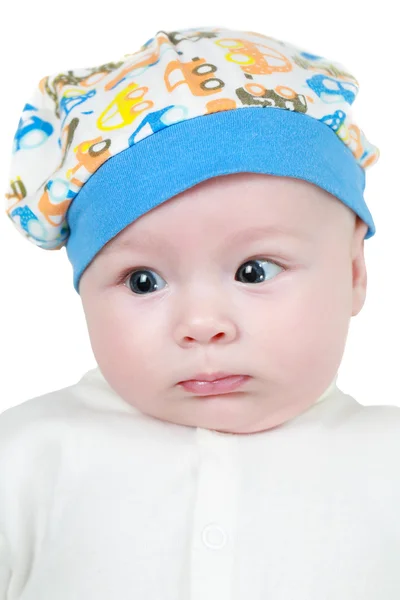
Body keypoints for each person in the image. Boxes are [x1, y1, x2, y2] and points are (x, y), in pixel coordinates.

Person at [1, 25, 399, 599]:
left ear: (355, 273)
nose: (201, 323)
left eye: (254, 271)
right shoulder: (24, 461)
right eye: (143, 281)